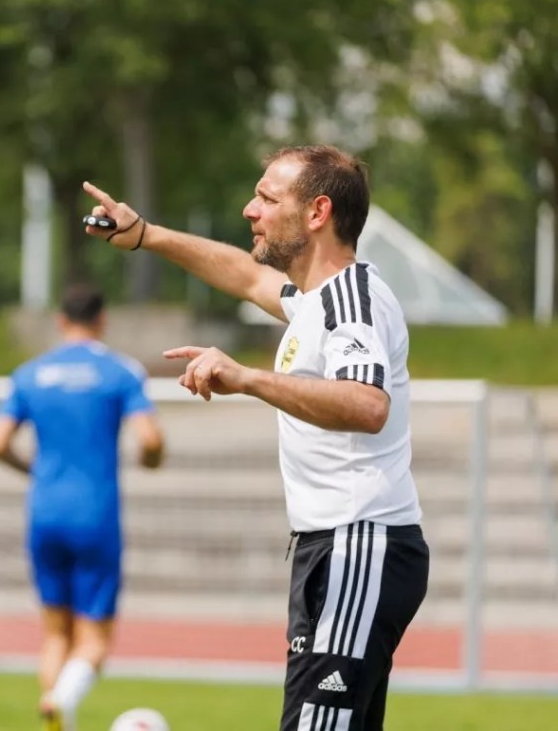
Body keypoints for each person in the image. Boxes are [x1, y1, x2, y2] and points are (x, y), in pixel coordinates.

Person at [83, 144, 430, 731]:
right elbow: (244, 275)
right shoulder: (314, 301)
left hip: (358, 544)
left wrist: (247, 379)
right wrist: (145, 235)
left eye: (268, 198)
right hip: (337, 547)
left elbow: (368, 405)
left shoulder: (353, 299)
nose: (250, 209)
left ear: (317, 212)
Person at [0, 284, 165, 731]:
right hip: (95, 514)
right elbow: (149, 440)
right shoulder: (120, 371)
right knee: (94, 638)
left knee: (54, 635)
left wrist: (34, 471)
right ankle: (61, 701)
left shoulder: (30, 373)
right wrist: (151, 460)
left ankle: (54, 708)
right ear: (102, 320)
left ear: (61, 320)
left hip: (44, 512)